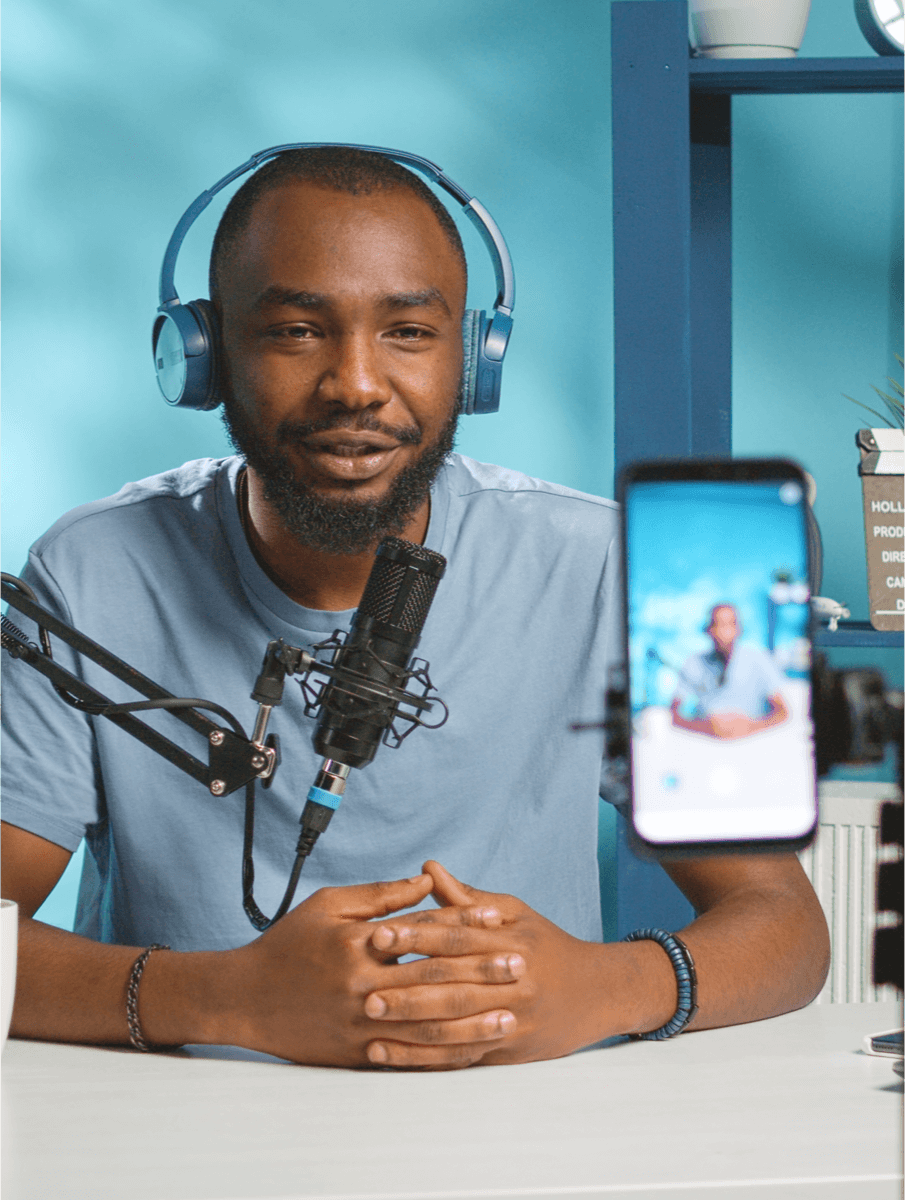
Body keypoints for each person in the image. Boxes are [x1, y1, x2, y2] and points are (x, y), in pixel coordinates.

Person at [1, 148, 829, 1070]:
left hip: (513, 1135)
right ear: (205, 355)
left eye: (407, 331)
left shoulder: (601, 567)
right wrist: (229, 999)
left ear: (473, 360)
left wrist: (596, 988)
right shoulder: (89, 572)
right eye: (294, 331)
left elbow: (785, 926)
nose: (355, 384)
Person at [671, 604, 790, 741]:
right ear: (708, 629)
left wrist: (748, 728)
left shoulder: (758, 659)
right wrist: (707, 728)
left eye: (729, 624)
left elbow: (782, 712)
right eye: (717, 624)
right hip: (704, 742)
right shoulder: (694, 662)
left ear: (738, 629)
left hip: (752, 742)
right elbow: (675, 714)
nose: (723, 631)